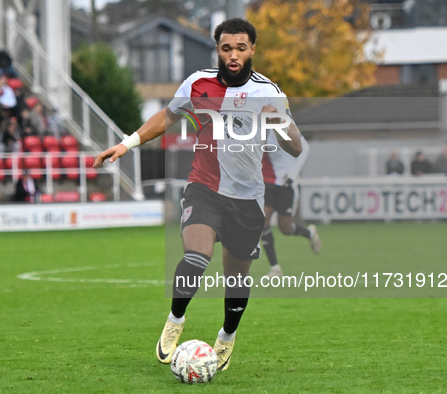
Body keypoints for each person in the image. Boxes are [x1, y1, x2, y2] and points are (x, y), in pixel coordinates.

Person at [94, 18, 302, 371]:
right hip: (203, 186)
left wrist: (279, 123)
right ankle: (175, 320)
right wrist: (127, 144)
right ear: (217, 50)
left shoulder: (269, 92)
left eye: (240, 48)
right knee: (197, 255)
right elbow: (167, 116)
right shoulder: (197, 83)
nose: (233, 55)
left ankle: (226, 337)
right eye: (226, 48)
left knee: (236, 276)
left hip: (247, 199)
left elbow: (295, 147)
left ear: (252, 49)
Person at [260, 133, 320, 279]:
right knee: (262, 223)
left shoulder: (283, 124)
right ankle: (275, 268)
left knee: (285, 228)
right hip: (268, 183)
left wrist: (293, 174)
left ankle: (310, 234)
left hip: (287, 184)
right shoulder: (257, 128)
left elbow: (305, 147)